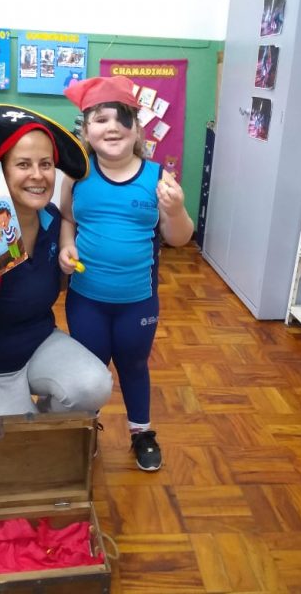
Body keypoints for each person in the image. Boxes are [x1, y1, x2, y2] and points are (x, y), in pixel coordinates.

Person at [0, 104, 113, 419]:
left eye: (46, 164)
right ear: (0, 172)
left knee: (93, 386)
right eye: (23, 164)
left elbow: (45, 284)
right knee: (20, 444)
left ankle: (36, 423)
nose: (38, 175)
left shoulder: (52, 220)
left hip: (38, 344)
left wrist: (69, 263)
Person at [60, 76, 194, 471]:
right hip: (86, 298)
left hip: (138, 301)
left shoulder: (158, 179)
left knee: (134, 365)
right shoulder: (77, 175)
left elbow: (180, 238)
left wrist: (176, 210)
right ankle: (87, 428)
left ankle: (141, 432)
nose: (112, 127)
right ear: (86, 130)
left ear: (136, 129)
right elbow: (67, 218)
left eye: (122, 119)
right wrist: (66, 244)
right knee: (90, 369)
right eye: (101, 119)